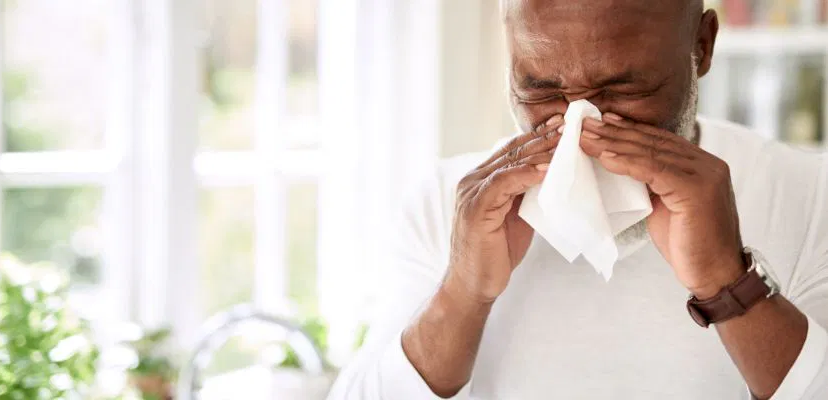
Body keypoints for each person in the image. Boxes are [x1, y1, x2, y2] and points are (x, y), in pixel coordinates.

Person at [327, 0, 828, 398]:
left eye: (624, 89)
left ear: (702, 45)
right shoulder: (446, 202)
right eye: (539, 92)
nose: (578, 127)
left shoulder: (807, 193)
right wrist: (463, 293)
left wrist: (729, 283)